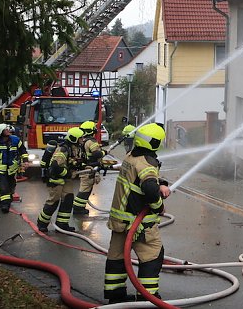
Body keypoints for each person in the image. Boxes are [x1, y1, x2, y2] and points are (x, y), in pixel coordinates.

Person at [104, 122, 170, 303]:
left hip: (119, 221)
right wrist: (158, 206)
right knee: (152, 256)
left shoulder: (130, 157)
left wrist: (161, 183)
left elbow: (139, 180)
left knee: (116, 257)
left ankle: (115, 296)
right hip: (140, 224)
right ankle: (148, 297)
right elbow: (149, 187)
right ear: (154, 143)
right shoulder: (147, 164)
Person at [37, 127, 87, 232]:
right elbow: (55, 167)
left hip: (66, 180)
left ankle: (62, 224)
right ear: (74, 138)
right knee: (53, 202)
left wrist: (82, 165)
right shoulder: (62, 149)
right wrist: (68, 173)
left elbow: (73, 160)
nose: (82, 140)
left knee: (68, 200)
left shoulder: (75, 147)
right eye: (81, 138)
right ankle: (42, 223)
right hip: (56, 179)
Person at [0, 124, 29, 213]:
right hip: (0, 171)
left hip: (12, 170)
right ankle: (5, 205)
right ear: (0, 132)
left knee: (11, 187)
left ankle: (4, 200)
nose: (8, 130)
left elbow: (23, 151)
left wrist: (26, 161)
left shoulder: (15, 140)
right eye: (5, 129)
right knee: (4, 187)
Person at [73, 120, 106, 216]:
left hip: (86, 168)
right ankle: (78, 209)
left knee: (86, 188)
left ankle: (80, 207)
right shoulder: (91, 141)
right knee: (85, 189)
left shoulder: (82, 141)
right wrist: (104, 153)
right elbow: (97, 154)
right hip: (89, 168)